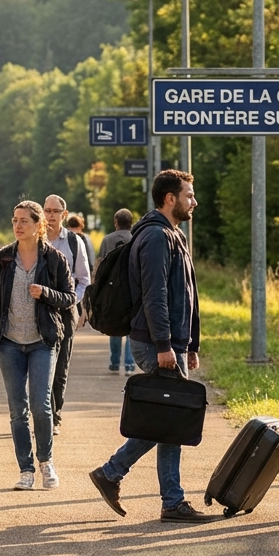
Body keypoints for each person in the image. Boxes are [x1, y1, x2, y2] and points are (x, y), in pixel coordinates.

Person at [89, 170, 217, 523]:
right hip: (156, 342)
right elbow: (155, 295)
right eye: (189, 195)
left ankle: (167, 498)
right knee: (170, 418)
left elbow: (186, 294)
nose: (194, 201)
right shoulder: (157, 237)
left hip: (172, 342)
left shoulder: (173, 234)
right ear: (170, 199)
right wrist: (164, 344)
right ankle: (115, 473)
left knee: (170, 418)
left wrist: (190, 342)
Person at [0, 201, 75, 490]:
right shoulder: (3, 258)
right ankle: (26, 469)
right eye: (15, 220)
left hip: (42, 341)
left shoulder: (54, 259)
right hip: (9, 343)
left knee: (41, 406)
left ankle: (46, 462)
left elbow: (70, 297)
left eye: (25, 221)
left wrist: (45, 293)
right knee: (17, 409)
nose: (18, 226)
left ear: (38, 225)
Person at [42, 194, 91, 434]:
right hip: (37, 312)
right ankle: (42, 415)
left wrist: (73, 302)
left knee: (60, 367)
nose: (50, 215)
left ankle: (55, 415)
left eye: (55, 211)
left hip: (64, 312)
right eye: (47, 210)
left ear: (64, 213)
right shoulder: (34, 237)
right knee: (39, 365)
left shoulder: (73, 242)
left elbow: (83, 279)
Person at [97, 209, 136, 374]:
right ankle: (129, 364)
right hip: (132, 287)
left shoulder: (107, 239)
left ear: (116, 222)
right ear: (131, 222)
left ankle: (114, 362)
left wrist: (97, 286)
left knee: (113, 324)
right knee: (130, 327)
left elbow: (101, 263)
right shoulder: (136, 238)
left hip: (112, 289)